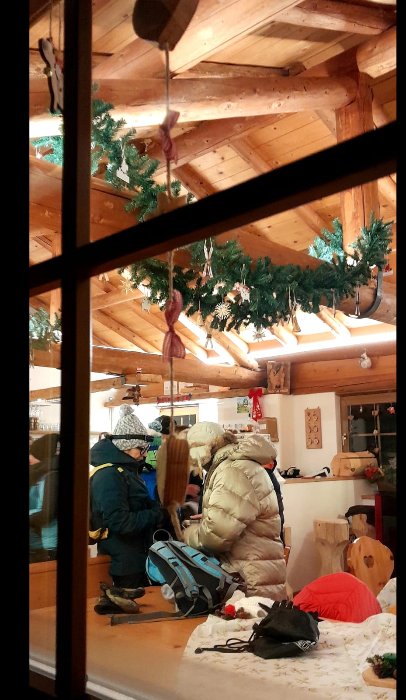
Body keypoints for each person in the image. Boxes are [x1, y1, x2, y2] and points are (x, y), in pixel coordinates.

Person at [182, 421, 287, 600]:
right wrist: (211, 516)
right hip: (252, 569)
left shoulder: (231, 470)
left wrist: (189, 534)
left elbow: (216, 536)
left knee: (252, 618)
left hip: (249, 577)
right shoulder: (235, 465)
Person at [89, 405, 164, 592]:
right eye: (141, 448)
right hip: (125, 564)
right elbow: (120, 522)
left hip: (136, 557)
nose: (145, 453)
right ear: (126, 446)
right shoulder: (109, 475)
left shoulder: (126, 470)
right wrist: (156, 514)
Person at [29, 433, 60, 562]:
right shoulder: (42, 474)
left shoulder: (51, 475)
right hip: (42, 541)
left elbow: (48, 513)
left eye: (31, 453)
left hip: (47, 543)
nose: (29, 457)